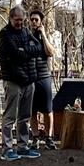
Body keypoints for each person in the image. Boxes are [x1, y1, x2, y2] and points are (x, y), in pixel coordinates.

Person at [0, 3, 39, 161]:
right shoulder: (5, 34)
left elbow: (39, 48)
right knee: (10, 116)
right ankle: (7, 148)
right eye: (16, 20)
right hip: (13, 80)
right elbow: (14, 54)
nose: (19, 23)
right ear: (10, 18)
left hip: (29, 80)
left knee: (25, 116)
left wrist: (24, 50)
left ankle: (23, 145)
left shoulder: (26, 31)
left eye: (21, 20)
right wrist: (26, 50)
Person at [27, 11, 56, 149]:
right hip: (31, 78)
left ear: (40, 22)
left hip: (44, 77)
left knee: (48, 110)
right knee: (32, 110)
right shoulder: (26, 36)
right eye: (32, 19)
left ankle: (49, 138)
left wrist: (43, 35)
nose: (34, 22)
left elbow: (50, 52)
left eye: (36, 20)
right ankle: (35, 137)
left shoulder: (45, 37)